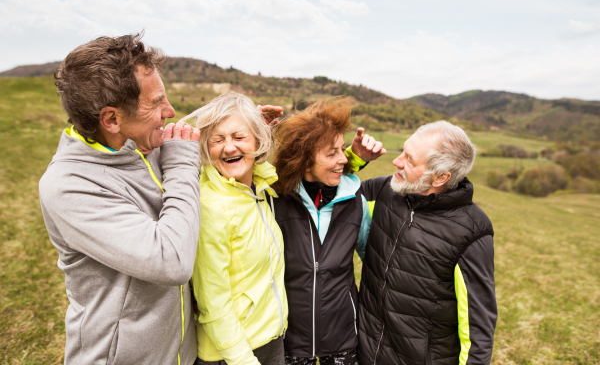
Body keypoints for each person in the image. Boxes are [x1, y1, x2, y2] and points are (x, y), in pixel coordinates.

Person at [38, 33, 202, 365]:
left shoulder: (142, 144)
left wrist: (252, 125)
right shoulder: (68, 185)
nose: (169, 111)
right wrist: (183, 165)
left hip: (180, 353)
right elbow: (171, 260)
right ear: (112, 119)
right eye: (156, 103)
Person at [356, 121, 497, 365]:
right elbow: (333, 193)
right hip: (365, 351)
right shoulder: (387, 190)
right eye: (402, 151)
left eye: (409, 160)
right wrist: (355, 159)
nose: (396, 162)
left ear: (441, 177)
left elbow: (477, 328)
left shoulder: (472, 231)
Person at [269, 98, 386, 365]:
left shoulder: (355, 202)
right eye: (332, 153)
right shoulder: (275, 201)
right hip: (289, 342)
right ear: (304, 159)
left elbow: (373, 259)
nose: (344, 159)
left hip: (345, 340)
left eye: (342, 150)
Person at [184, 92, 287, 365]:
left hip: (268, 337)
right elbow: (213, 304)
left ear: (258, 140)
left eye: (239, 137)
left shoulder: (258, 188)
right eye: (217, 140)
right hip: (232, 353)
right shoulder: (211, 207)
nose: (229, 148)